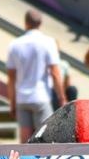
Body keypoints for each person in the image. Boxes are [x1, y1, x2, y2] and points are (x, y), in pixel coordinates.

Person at [6, 9, 64, 142]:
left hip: (22, 98)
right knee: (46, 140)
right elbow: (55, 73)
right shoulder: (48, 42)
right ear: (40, 23)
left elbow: (11, 78)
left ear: (25, 23)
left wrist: (12, 103)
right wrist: (62, 97)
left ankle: (23, 157)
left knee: (25, 142)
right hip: (41, 96)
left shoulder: (14, 44)